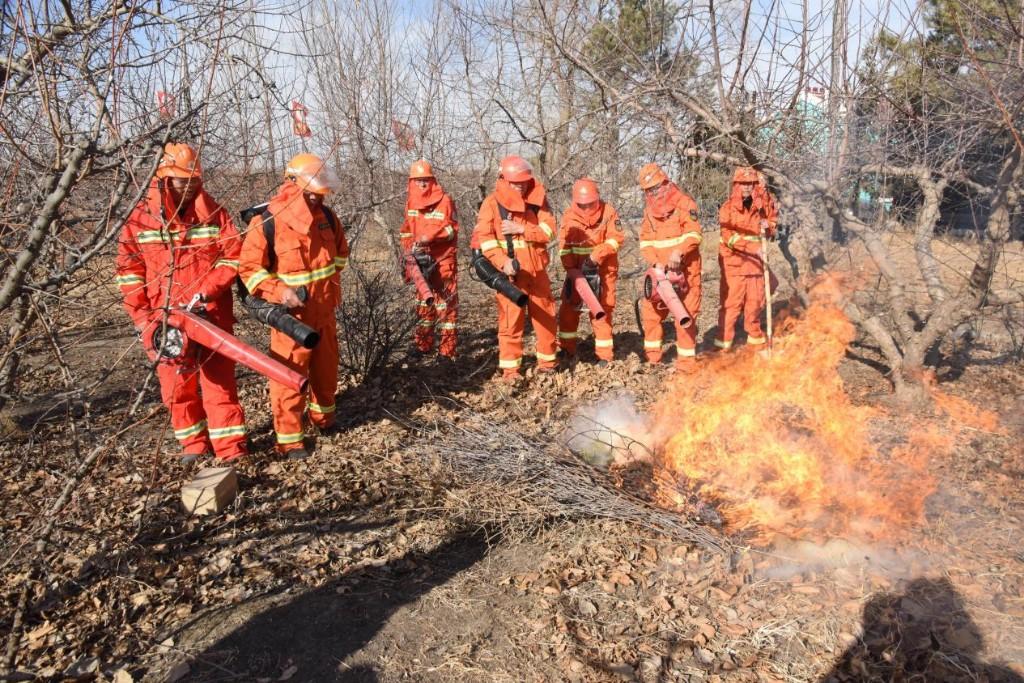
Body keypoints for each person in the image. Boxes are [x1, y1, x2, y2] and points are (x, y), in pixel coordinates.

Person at [116, 142, 247, 464]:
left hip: (211, 316)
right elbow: (128, 271)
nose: (189, 188)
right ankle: (194, 445)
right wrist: (142, 318)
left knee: (220, 386)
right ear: (163, 179)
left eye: (194, 181)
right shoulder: (140, 220)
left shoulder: (215, 214)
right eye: (182, 181)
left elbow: (233, 256)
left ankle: (231, 450)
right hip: (164, 323)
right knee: (177, 389)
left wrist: (207, 291)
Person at [238, 153, 349, 460]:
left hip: (325, 313)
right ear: (293, 184)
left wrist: (325, 289)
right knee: (288, 377)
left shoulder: (327, 218)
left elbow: (340, 256)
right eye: (312, 192)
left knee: (326, 372)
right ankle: (289, 440)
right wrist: (279, 290)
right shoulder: (268, 222)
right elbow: (249, 269)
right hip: (291, 321)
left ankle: (323, 419)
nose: (316, 198)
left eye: (320, 193)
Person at [471, 155, 558, 381]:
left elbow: (549, 231)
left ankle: (547, 364)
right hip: (511, 276)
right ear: (504, 179)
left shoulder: (537, 201)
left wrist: (522, 229)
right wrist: (503, 263)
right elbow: (486, 241)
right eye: (515, 182)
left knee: (546, 319)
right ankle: (511, 371)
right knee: (510, 323)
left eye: (523, 181)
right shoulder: (491, 204)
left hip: (538, 272)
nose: (520, 186)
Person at [636, 163, 703, 370]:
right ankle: (653, 359)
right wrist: (655, 262)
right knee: (651, 314)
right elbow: (645, 241)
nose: (654, 193)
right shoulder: (649, 213)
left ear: (666, 183)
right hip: (660, 274)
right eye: (649, 190)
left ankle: (686, 363)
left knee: (686, 316)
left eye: (656, 187)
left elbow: (694, 234)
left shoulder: (685, 203)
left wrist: (679, 252)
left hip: (687, 272)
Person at [556, 178, 625, 366]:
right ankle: (566, 348)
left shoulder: (608, 212)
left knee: (601, 311)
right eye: (582, 205)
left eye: (591, 204)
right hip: (576, 271)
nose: (587, 209)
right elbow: (564, 245)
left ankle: (604, 355)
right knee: (569, 309)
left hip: (603, 270)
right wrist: (571, 269)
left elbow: (616, 239)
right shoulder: (569, 216)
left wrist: (596, 256)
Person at [399, 160, 459, 361]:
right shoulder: (410, 203)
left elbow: (452, 230)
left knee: (446, 307)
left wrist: (430, 236)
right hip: (419, 261)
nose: (422, 184)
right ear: (411, 183)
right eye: (418, 181)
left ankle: (446, 352)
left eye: (425, 180)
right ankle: (423, 346)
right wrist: (408, 254)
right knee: (424, 305)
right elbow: (406, 232)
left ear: (433, 181)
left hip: (442, 261)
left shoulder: (445, 201)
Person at [715, 166, 778, 350]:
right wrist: (752, 248)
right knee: (731, 306)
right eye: (742, 183)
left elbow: (773, 224)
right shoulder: (727, 209)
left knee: (754, 304)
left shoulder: (761, 206)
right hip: (734, 265)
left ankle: (756, 346)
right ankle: (722, 348)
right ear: (736, 185)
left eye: (750, 183)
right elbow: (728, 237)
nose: (747, 187)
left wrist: (769, 226)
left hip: (756, 265)